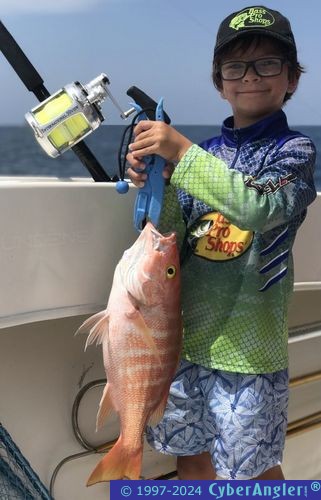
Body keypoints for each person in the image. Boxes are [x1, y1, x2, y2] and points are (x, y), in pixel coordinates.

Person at [126, 5, 316, 480]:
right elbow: (172, 236)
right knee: (190, 458)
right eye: (235, 67)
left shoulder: (295, 152)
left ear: (291, 78)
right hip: (186, 344)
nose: (250, 76)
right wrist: (159, 181)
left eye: (267, 64)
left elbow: (260, 208)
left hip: (251, 356)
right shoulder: (206, 155)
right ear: (219, 82)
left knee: (251, 473)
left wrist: (181, 152)